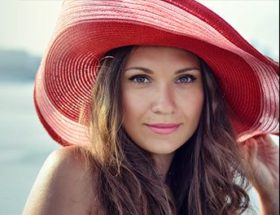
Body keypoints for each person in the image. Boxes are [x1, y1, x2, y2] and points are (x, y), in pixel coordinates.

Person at [23, 0, 279, 214]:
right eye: (140, 79)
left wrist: (272, 193)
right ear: (112, 91)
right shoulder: (77, 172)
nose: (164, 105)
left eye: (185, 79)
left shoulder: (203, 191)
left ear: (208, 95)